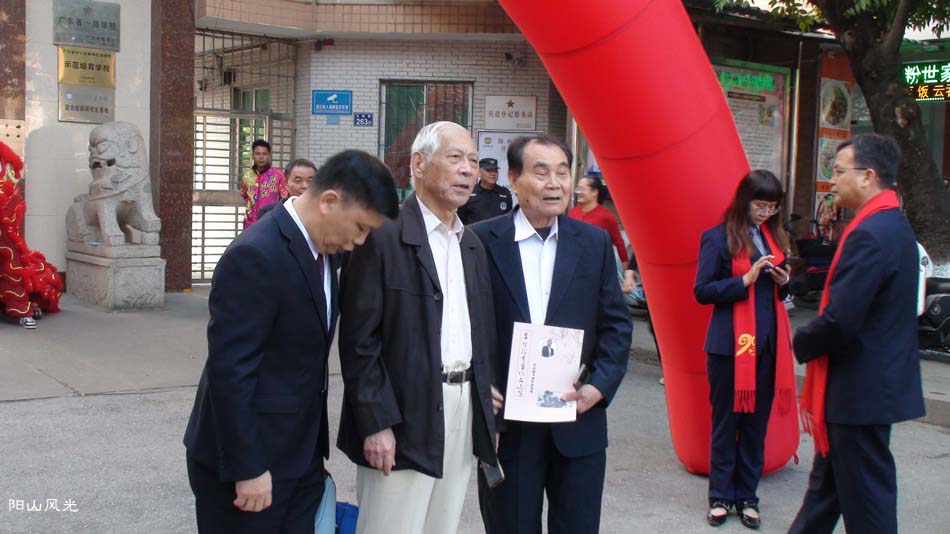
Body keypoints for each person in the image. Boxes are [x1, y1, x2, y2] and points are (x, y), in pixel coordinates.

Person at [183, 150, 399, 534]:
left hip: (300, 458)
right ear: (328, 201)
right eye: (360, 226)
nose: (359, 241)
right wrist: (248, 467)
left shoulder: (325, 252)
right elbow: (230, 371)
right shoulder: (255, 254)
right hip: (247, 466)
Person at [337, 121, 502, 534]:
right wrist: (375, 422)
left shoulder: (471, 244)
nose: (468, 169)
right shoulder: (380, 234)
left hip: (461, 405)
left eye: (473, 161)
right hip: (402, 412)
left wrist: (484, 401)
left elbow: (478, 333)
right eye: (455, 157)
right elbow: (359, 341)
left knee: (441, 525)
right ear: (418, 164)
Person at [471, 135, 632, 534]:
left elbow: (616, 325)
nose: (555, 183)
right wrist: (478, 383)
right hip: (508, 426)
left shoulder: (592, 242)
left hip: (578, 420)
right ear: (513, 179)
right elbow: (460, 325)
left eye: (562, 172)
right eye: (541, 172)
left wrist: (599, 386)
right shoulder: (479, 241)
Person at [789, 134, 925, 534]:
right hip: (868, 386)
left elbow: (840, 320)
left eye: (838, 170)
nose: (831, 180)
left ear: (868, 176)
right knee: (825, 494)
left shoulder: (871, 233)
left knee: (868, 506)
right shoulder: (891, 223)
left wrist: (799, 341)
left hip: (860, 391)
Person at [693, 169, 797, 530]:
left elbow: (780, 293)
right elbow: (702, 290)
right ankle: (721, 496)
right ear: (744, 200)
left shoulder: (773, 237)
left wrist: (784, 282)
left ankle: (748, 497)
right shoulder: (717, 237)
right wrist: (744, 280)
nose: (765, 213)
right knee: (726, 424)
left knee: (755, 426)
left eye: (772, 207)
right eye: (760, 205)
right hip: (729, 348)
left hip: (767, 346)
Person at [569, 174, 629, 265]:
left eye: (582, 189)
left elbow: (619, 243)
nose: (578, 192)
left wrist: (626, 269)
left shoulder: (607, 217)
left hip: (594, 266)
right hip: (572, 264)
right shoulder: (573, 212)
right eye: (578, 189)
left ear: (594, 192)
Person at [240, 139, 288, 228]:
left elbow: (284, 198)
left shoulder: (278, 175)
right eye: (257, 154)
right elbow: (245, 194)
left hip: (270, 222)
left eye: (264, 154)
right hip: (250, 223)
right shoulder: (247, 175)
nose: (261, 157)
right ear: (253, 156)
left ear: (269, 156)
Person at [457, 157, 514, 224]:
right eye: (489, 170)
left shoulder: (505, 193)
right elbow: (461, 220)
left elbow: (509, 219)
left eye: (495, 170)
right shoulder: (468, 192)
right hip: (474, 230)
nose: (493, 174)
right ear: (479, 172)